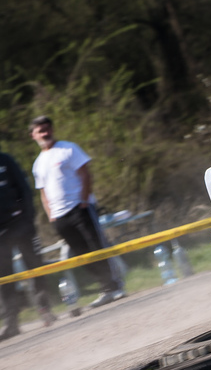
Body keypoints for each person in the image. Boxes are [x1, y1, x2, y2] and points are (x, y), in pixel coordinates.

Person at [29, 116, 124, 309]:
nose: (45, 133)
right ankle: (105, 288)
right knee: (81, 255)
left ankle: (116, 286)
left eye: (47, 128)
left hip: (80, 208)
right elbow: (43, 192)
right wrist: (51, 215)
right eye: (40, 131)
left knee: (97, 247)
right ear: (33, 135)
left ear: (52, 129)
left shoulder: (68, 148)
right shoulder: (38, 163)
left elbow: (85, 174)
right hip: (59, 216)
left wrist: (84, 201)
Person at [0, 147, 57, 339]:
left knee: (34, 267)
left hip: (20, 225)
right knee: (4, 278)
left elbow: (24, 189)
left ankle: (45, 310)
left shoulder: (5, 160)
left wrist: (28, 219)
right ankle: (11, 323)